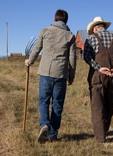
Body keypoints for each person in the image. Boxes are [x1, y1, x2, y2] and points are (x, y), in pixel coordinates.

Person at [25, 9, 76, 143]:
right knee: (57, 104)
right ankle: (53, 135)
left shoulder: (45, 31)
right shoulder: (70, 35)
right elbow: (72, 57)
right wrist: (71, 75)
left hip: (45, 72)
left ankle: (44, 124)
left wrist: (30, 61)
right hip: (60, 74)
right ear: (66, 20)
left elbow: (36, 48)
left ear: (55, 18)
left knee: (43, 101)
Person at [84, 16, 113, 142]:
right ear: (103, 26)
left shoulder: (91, 39)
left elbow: (87, 57)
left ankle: (100, 137)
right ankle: (105, 130)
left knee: (97, 106)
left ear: (95, 28)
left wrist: (99, 68)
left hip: (97, 77)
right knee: (109, 105)